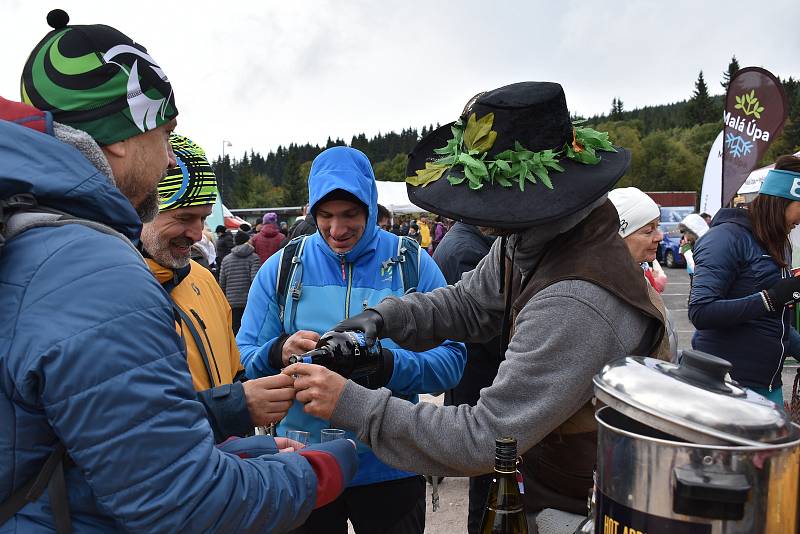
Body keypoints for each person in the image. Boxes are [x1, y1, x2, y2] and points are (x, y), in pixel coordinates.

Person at [0, 12, 356, 532]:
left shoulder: (26, 235)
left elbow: (70, 443)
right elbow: (181, 503)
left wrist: (236, 439)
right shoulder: (95, 272)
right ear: (120, 137)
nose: (170, 160)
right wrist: (318, 469)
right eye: (166, 135)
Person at [285, 82, 670, 531]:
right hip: (551, 479)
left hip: (587, 501)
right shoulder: (532, 239)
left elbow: (486, 438)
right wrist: (381, 318)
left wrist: (350, 402)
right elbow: (468, 303)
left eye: (483, 197)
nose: (469, 211)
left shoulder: (576, 300)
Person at [237, 146, 467, 534]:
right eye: (325, 216)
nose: (337, 230)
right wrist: (280, 351)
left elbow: (453, 361)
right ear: (311, 212)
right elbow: (246, 357)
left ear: (371, 208)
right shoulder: (283, 267)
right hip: (303, 464)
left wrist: (387, 367)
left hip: (391, 463)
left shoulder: (412, 263)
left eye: (350, 215)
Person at [143, 133, 294, 441]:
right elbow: (128, 429)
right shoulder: (111, 291)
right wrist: (236, 407)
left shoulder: (202, 278)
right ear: (142, 211)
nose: (198, 235)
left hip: (222, 475)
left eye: (203, 218)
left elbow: (233, 374)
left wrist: (277, 358)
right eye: (184, 217)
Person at [689, 155, 800, 406]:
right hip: (725, 387)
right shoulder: (725, 238)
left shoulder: (780, 242)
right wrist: (771, 299)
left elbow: (772, 322)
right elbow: (701, 311)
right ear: (783, 200)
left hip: (769, 385)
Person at [432, 222, 500, 533]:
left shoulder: (461, 240)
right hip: (479, 373)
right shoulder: (466, 249)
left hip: (472, 372)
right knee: (487, 478)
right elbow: (478, 322)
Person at [609, 187, 677, 361]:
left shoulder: (638, 277)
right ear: (618, 237)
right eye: (648, 230)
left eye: (658, 227)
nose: (659, 236)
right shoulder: (605, 290)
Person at [221, 229, 261, 333]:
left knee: (235, 331)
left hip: (231, 301)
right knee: (248, 330)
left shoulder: (226, 259)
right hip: (248, 301)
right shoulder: (254, 258)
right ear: (247, 241)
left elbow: (222, 282)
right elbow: (255, 281)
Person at [678, 213, 709, 284]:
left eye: (685, 232)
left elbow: (697, 269)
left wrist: (686, 250)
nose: (685, 236)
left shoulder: (704, 245)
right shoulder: (695, 244)